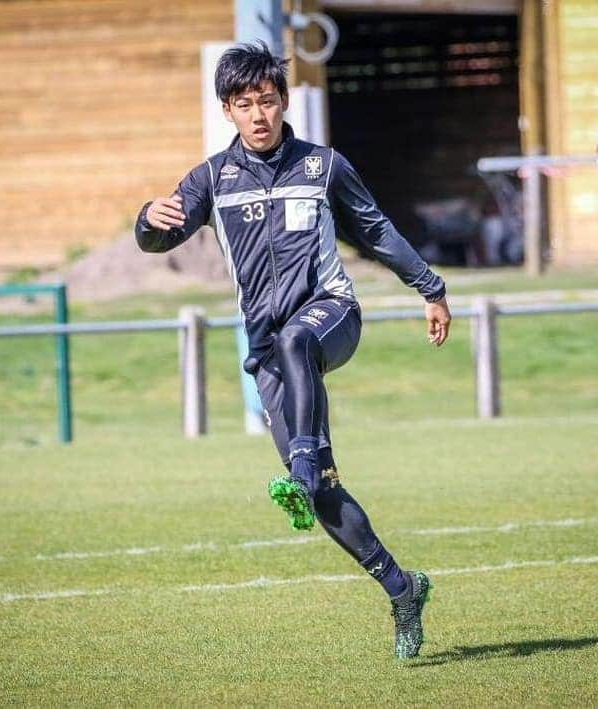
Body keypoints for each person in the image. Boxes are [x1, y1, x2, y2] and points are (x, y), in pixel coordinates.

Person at [135, 42, 451, 660]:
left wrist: (430, 287)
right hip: (271, 356)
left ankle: (301, 464)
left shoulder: (323, 166)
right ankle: (401, 586)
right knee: (324, 490)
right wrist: (146, 220)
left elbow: (375, 229)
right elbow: (156, 237)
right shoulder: (211, 181)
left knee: (299, 340)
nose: (259, 114)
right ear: (227, 109)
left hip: (332, 317)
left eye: (268, 100)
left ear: (284, 102)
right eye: (245, 104)